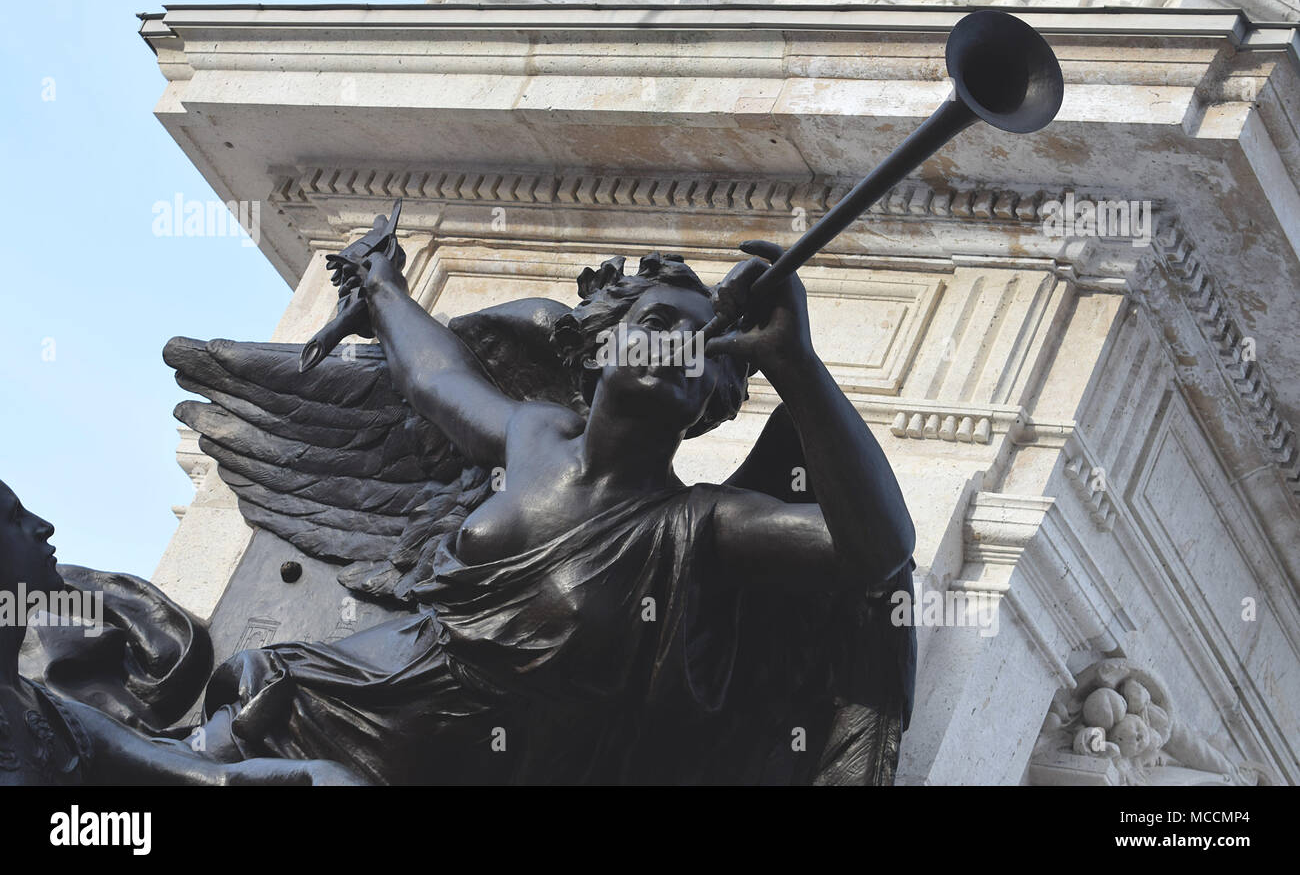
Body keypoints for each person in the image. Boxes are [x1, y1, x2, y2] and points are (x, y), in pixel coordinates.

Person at [188, 241, 918, 784]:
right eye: (658, 321)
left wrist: (798, 365)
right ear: (604, 344)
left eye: (704, 350)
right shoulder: (535, 434)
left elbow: (877, 554)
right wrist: (381, 285)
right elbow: (435, 375)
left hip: (451, 762)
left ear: (710, 401)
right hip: (331, 692)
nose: (675, 348)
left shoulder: (709, 528)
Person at [0, 479, 362, 785]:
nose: (43, 525)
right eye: (14, 517)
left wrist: (313, 773)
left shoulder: (55, 713)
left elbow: (212, 777)